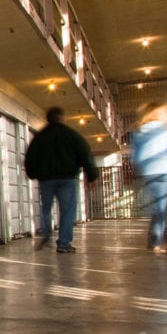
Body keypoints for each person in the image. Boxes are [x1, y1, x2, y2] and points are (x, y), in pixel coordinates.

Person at [24, 106, 100, 253]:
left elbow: (30, 157)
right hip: (67, 178)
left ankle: (46, 233)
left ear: (48, 118)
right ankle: (63, 243)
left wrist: (32, 173)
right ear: (61, 118)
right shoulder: (71, 135)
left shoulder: (40, 137)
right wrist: (92, 176)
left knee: (45, 208)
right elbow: (85, 154)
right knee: (67, 210)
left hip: (46, 179)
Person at [130, 102, 167, 253]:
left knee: (162, 207)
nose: (166, 115)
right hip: (164, 172)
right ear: (156, 114)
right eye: (163, 113)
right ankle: (156, 241)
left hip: (148, 173)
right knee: (162, 208)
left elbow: (134, 157)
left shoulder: (139, 133)